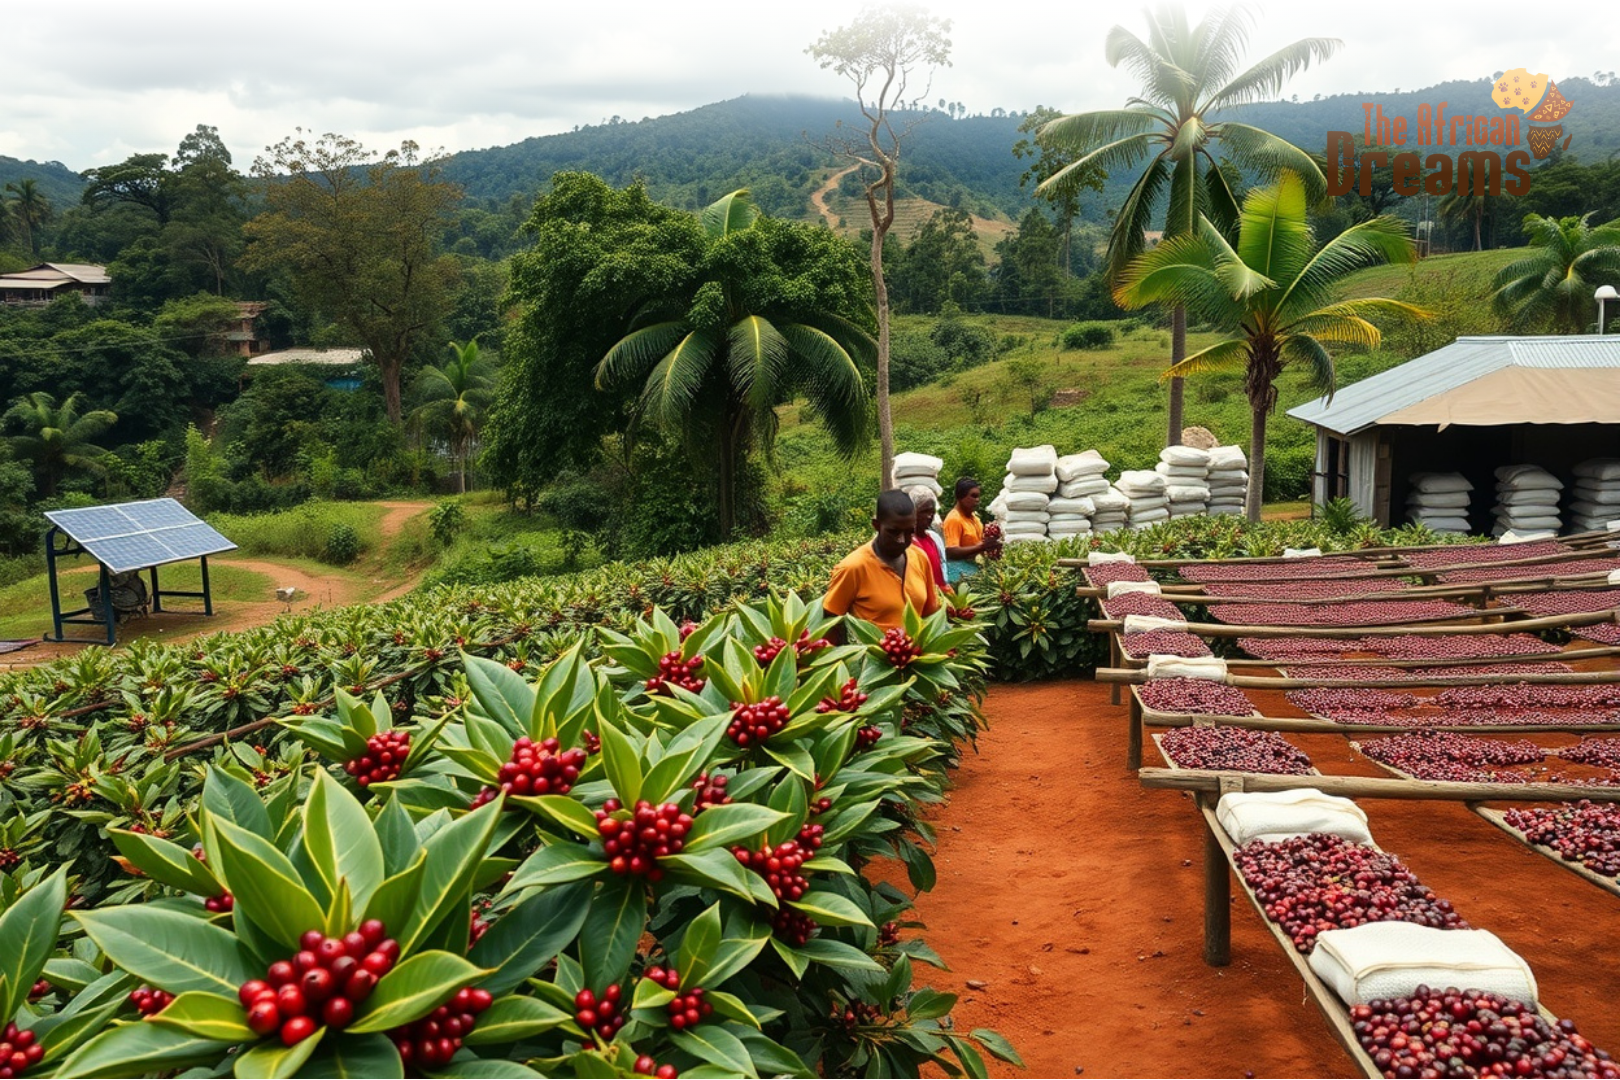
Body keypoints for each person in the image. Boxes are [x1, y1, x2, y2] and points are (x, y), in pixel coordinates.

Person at [822, 489, 941, 632]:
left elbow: (930, 614)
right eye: (894, 532)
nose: (902, 540)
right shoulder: (853, 567)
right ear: (876, 525)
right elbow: (830, 622)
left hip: (917, 653)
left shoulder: (920, 557)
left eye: (909, 531)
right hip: (872, 654)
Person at [943, 476, 999, 584]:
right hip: (960, 575)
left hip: (975, 570)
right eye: (973, 496)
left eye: (978, 496)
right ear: (960, 496)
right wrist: (982, 547)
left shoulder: (975, 518)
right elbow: (951, 551)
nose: (977, 500)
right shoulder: (954, 519)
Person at [906, 484, 950, 592]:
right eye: (924, 511)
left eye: (932, 512)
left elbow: (942, 571)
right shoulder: (907, 543)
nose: (930, 516)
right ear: (913, 512)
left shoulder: (935, 538)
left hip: (940, 598)